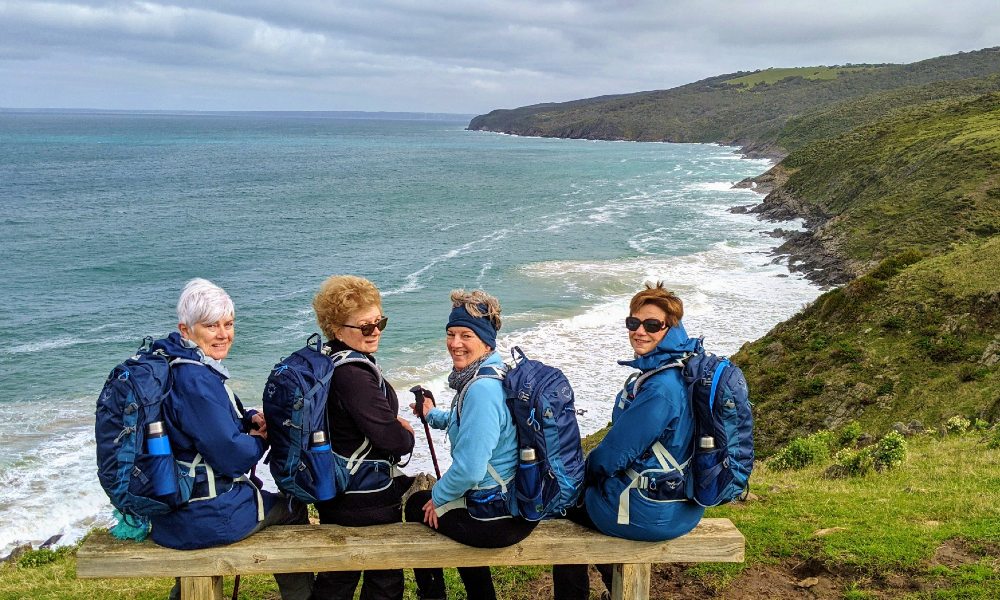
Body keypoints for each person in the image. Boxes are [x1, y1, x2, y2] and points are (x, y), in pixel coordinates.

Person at [151, 278, 313, 600]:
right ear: (186, 330)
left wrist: (247, 417)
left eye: (229, 324)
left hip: (175, 511)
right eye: (211, 326)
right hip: (207, 515)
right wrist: (261, 439)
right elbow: (232, 456)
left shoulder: (173, 364)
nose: (223, 334)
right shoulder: (195, 379)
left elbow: (206, 427)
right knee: (291, 509)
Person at [552, 282, 706, 600]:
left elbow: (612, 457)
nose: (639, 331)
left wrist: (579, 477)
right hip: (680, 504)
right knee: (586, 506)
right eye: (633, 323)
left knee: (564, 510)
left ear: (672, 328)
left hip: (652, 513)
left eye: (652, 325)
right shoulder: (679, 369)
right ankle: (618, 591)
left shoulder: (661, 388)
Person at [404, 289, 537, 600]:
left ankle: (433, 596)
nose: (455, 344)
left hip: (496, 518)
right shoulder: (495, 371)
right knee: (453, 503)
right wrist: (432, 415)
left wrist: (437, 497)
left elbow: (469, 470)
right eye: (451, 334)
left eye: (466, 335)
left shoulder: (480, 390)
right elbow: (475, 423)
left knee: (416, 505)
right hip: (516, 504)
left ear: (486, 340)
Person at [310, 275, 418, 600]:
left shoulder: (329, 359)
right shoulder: (352, 374)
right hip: (366, 497)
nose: (376, 333)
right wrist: (407, 434)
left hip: (337, 488)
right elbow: (391, 439)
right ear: (337, 328)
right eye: (366, 327)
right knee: (383, 582)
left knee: (338, 579)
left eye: (379, 322)